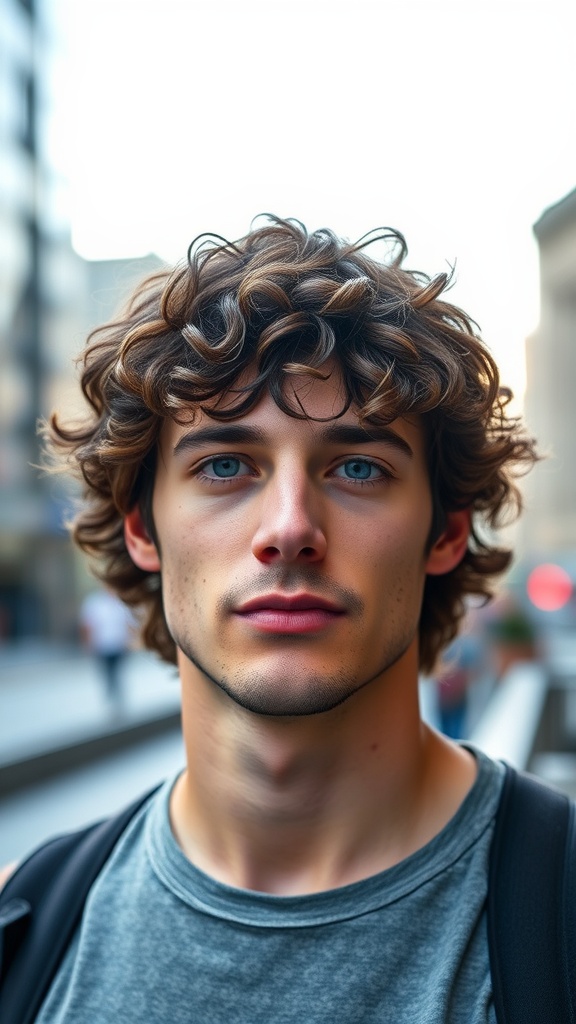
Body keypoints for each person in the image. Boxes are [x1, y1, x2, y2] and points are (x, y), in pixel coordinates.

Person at [6, 217, 539, 1021]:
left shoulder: (556, 913)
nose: (289, 527)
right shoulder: (26, 930)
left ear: (446, 531)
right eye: (225, 465)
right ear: (142, 527)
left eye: (358, 467)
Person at [79, 587, 135, 709]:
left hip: (118, 645)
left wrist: (130, 642)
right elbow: (88, 626)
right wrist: (88, 644)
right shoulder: (94, 603)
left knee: (117, 673)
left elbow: (128, 623)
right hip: (102, 646)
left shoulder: (121, 603)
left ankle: (118, 700)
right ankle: (110, 699)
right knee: (107, 673)